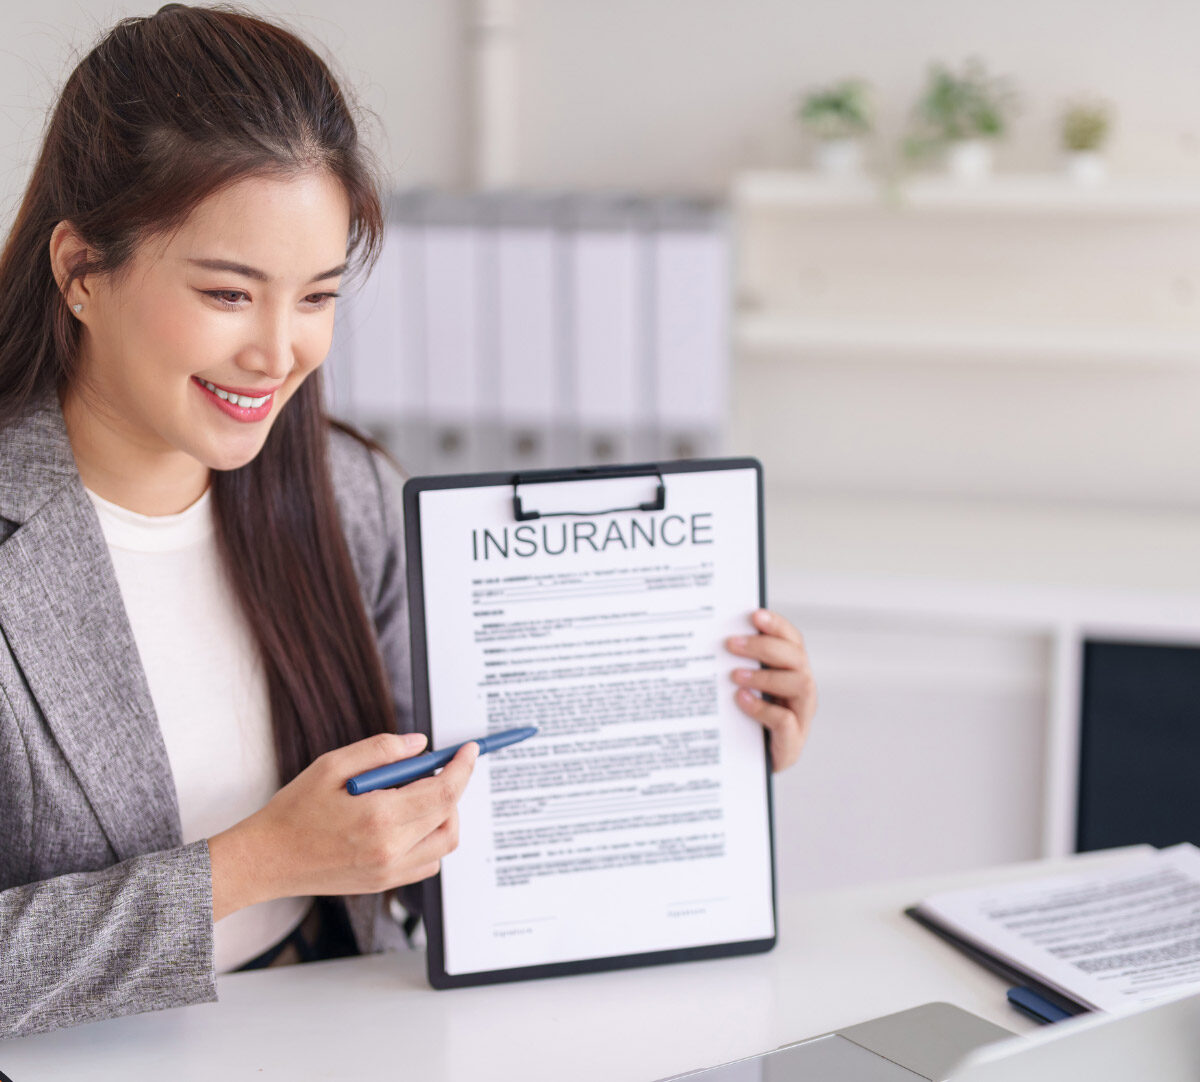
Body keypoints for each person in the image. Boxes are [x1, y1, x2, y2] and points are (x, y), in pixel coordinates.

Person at [0, 4, 818, 1039]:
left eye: (316, 296)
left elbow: (449, 838)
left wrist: (706, 754)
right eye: (227, 292)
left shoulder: (345, 494)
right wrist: (253, 862)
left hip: (341, 1027)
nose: (279, 351)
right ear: (80, 270)